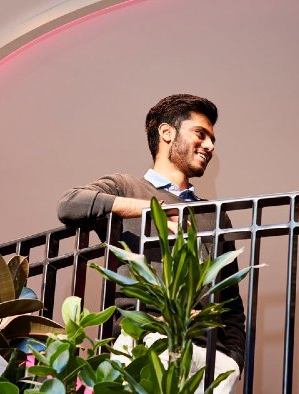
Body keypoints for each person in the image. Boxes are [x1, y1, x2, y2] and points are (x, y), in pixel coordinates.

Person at [57, 94, 245, 393]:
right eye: (201, 133)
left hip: (208, 358)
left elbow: (232, 303)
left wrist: (233, 360)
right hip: (143, 342)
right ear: (167, 132)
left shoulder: (214, 215)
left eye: (213, 138)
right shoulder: (126, 186)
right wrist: (149, 209)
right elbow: (69, 205)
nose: (210, 146)